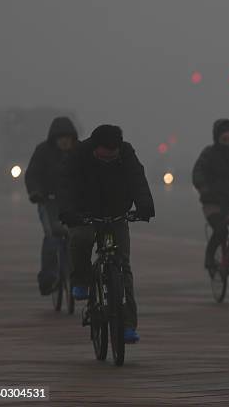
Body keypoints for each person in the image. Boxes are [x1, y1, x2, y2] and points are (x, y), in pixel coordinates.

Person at [59, 124, 154, 344]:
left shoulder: (127, 153)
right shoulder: (79, 155)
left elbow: (137, 179)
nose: (110, 160)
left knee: (123, 266)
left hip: (116, 214)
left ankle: (128, 325)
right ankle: (81, 280)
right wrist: (68, 212)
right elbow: (65, 184)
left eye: (113, 157)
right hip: (85, 214)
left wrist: (144, 207)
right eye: (105, 157)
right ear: (95, 147)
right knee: (80, 239)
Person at [25, 117, 79, 295]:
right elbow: (32, 174)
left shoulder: (80, 152)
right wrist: (35, 192)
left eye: (68, 137)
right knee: (52, 238)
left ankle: (75, 275)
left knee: (78, 238)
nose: (64, 141)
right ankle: (48, 279)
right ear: (54, 139)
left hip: (72, 203)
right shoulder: (43, 151)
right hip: (49, 202)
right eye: (60, 137)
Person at [192, 119, 229, 279]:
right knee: (221, 229)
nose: (227, 142)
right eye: (224, 139)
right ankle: (210, 258)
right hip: (212, 200)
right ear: (217, 137)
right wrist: (203, 188)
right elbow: (198, 172)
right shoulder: (208, 154)